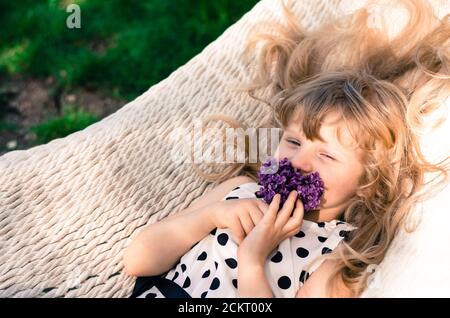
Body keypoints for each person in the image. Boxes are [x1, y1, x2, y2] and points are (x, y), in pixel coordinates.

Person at [123, 0, 449, 297]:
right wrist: (210, 216)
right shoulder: (240, 190)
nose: (300, 161)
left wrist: (253, 259)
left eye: (327, 155)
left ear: (367, 181)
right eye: (293, 141)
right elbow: (138, 261)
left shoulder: (337, 254)